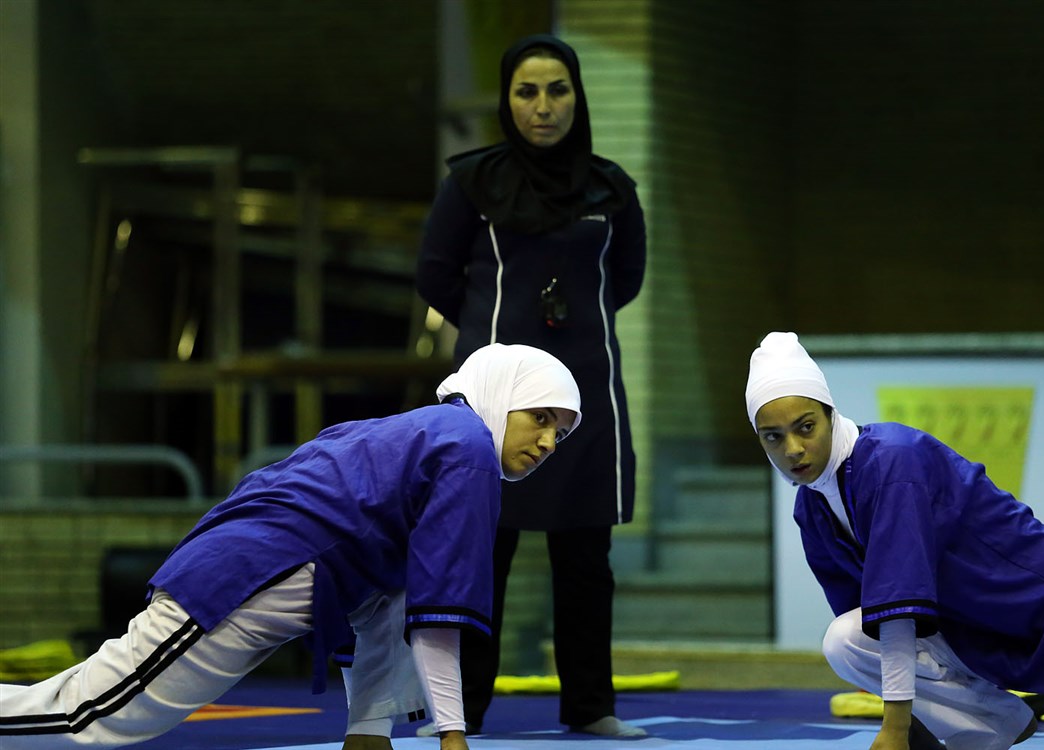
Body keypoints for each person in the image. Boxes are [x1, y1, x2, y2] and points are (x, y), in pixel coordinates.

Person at [0, 343, 581, 750]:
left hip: (247, 563)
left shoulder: (427, 433)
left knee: (85, 705)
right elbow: (436, 617)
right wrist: (452, 735)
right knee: (89, 716)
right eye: (539, 417)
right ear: (500, 396)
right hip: (241, 575)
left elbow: (389, 606)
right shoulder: (465, 451)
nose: (548, 442)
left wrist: (369, 730)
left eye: (559, 430)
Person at [744, 331, 1044, 750]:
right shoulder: (813, 507)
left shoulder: (893, 461)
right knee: (847, 640)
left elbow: (898, 608)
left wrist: (895, 729)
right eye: (773, 437)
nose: (793, 449)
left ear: (830, 414)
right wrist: (916, 727)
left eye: (806, 427)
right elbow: (872, 623)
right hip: (966, 628)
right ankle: (990, 725)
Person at [415, 33, 646, 738]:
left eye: (557, 90)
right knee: (481, 555)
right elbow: (435, 275)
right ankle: (461, 714)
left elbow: (625, 280)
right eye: (526, 92)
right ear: (507, 101)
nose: (543, 106)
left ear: (577, 98)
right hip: (493, 399)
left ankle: (591, 708)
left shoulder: (612, 189)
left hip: (587, 391)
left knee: (585, 558)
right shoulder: (471, 183)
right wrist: (494, 335)